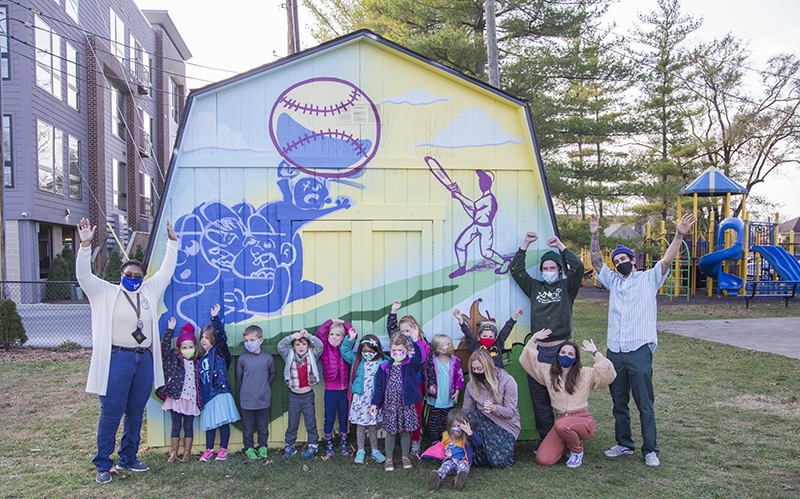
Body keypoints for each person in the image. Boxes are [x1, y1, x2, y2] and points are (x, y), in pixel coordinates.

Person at [76, 217, 178, 484]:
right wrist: (85, 246)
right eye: (128, 275)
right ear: (121, 275)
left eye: (137, 276)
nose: (133, 279)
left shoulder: (148, 292)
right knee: (111, 411)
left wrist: (172, 243)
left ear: (143, 278)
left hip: (143, 360)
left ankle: (129, 458)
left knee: (135, 411)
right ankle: (102, 463)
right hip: (117, 359)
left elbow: (166, 271)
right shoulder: (104, 292)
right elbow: (83, 276)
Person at [589, 213, 696, 467]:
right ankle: (624, 444)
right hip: (615, 350)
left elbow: (668, 258)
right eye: (616, 261)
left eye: (623, 259)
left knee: (644, 403)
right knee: (618, 402)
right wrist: (594, 234)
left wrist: (679, 234)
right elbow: (596, 262)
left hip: (639, 350)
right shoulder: (614, 281)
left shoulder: (649, 278)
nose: (619, 263)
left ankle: (650, 449)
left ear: (633, 260)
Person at [510, 232, 584, 441]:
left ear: (560, 271)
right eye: (545, 268)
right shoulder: (535, 287)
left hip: (561, 350)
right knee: (540, 398)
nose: (549, 271)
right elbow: (516, 271)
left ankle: (568, 437)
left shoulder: (567, 287)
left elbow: (577, 267)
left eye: (553, 268)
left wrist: (561, 246)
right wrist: (525, 244)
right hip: (539, 351)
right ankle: (547, 439)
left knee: (564, 395)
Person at [520, 329, 616, 468]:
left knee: (561, 425)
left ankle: (577, 451)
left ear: (576, 358)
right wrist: (533, 339)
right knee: (543, 459)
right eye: (563, 352)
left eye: (570, 354)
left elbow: (608, 375)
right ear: (557, 354)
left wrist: (596, 353)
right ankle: (566, 446)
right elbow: (527, 362)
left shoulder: (585, 373)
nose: (566, 355)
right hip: (561, 421)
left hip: (582, 420)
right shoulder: (549, 372)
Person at [370, 333, 423, 471]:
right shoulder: (384, 367)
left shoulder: (410, 365)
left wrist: (416, 341)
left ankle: (405, 456)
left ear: (406, 350)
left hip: (405, 405)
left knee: (405, 431)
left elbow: (420, 358)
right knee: (391, 432)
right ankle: (389, 458)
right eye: (394, 350)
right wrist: (375, 404)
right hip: (390, 405)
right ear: (390, 349)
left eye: (400, 350)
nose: (397, 353)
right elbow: (379, 388)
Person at [462, 349, 521, 468]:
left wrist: (495, 408)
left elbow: (510, 412)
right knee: (472, 416)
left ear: (488, 367)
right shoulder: (471, 385)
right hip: (484, 423)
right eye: (473, 369)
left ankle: (488, 453)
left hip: (506, 425)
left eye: (479, 369)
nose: (476, 372)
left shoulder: (507, 381)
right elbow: (466, 411)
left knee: (498, 462)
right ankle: (479, 453)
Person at [198, 304, 241, 462]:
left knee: (223, 423)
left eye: (207, 338)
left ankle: (223, 449)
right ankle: (209, 449)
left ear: (213, 340)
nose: (203, 340)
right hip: (208, 396)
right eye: (202, 337)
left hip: (221, 393)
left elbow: (222, 337)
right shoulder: (201, 358)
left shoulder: (220, 352)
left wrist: (215, 319)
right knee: (210, 424)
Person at [387, 301, 429, 456]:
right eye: (402, 331)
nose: (405, 333)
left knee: (416, 414)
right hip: (400, 383)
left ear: (415, 328)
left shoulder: (421, 344)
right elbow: (392, 331)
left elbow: (424, 361)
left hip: (416, 383)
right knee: (402, 413)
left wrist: (416, 339)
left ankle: (416, 442)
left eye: (408, 330)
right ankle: (403, 441)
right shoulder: (399, 345)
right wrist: (393, 312)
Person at [157, 318, 202, 463]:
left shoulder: (197, 363)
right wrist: (170, 330)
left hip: (191, 400)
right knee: (176, 426)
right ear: (179, 349)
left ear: (195, 347)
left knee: (188, 426)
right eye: (184, 347)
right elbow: (163, 349)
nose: (188, 350)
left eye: (190, 346)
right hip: (176, 398)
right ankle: (174, 453)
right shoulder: (174, 360)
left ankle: (187, 453)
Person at [341, 331, 387, 465]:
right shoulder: (357, 360)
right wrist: (350, 339)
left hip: (374, 400)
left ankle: (374, 450)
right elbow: (345, 351)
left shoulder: (382, 362)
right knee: (360, 426)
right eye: (365, 350)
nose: (367, 353)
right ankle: (360, 450)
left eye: (371, 350)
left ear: (377, 350)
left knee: (373, 426)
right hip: (360, 399)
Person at [277, 329, 324, 458]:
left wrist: (308, 335)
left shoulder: (312, 355)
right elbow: (280, 345)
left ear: (308, 345)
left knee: (310, 422)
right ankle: (290, 445)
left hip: (308, 395)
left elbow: (320, 345)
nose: (301, 347)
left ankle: (313, 445)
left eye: (304, 343)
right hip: (294, 396)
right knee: (292, 422)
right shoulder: (289, 355)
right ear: (293, 346)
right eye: (297, 344)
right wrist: (292, 337)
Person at [237, 324, 276, 461]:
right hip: (247, 400)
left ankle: (262, 447)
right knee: (247, 427)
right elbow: (240, 377)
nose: (249, 343)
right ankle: (248, 448)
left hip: (263, 399)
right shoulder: (242, 358)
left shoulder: (268, 358)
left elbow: (271, 375)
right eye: (246, 341)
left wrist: (262, 389)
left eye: (252, 340)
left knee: (262, 426)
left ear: (260, 340)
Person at [316, 318, 354, 457]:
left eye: (338, 335)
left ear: (343, 337)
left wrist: (344, 323)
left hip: (344, 390)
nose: (334, 337)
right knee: (329, 417)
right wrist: (331, 321)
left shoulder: (346, 347)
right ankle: (329, 443)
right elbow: (320, 333)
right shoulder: (325, 347)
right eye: (332, 334)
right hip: (330, 391)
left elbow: (352, 334)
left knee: (344, 417)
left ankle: (344, 442)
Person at [428, 408, 482, 491]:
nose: (456, 429)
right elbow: (441, 447)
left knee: (463, 467)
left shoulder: (466, 435)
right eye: (453, 426)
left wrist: (469, 432)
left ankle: (458, 480)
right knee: (445, 466)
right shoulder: (446, 435)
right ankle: (437, 478)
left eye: (458, 426)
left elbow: (479, 442)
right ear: (449, 426)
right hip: (449, 460)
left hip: (462, 461)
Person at [424, 334, 464, 444]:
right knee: (434, 419)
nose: (451, 346)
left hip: (448, 396)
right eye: (447, 344)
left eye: (451, 343)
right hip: (436, 397)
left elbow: (459, 377)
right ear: (439, 349)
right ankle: (435, 440)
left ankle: (445, 438)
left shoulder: (455, 361)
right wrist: (429, 387)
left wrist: (457, 391)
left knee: (447, 419)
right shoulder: (432, 361)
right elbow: (427, 376)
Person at [454, 308, 523, 369]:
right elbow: (468, 334)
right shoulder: (475, 347)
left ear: (495, 338)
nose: (487, 338)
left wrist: (514, 317)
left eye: (490, 337)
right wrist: (460, 320)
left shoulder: (498, 345)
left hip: (497, 377)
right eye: (485, 336)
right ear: (479, 337)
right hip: (482, 378)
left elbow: (504, 332)